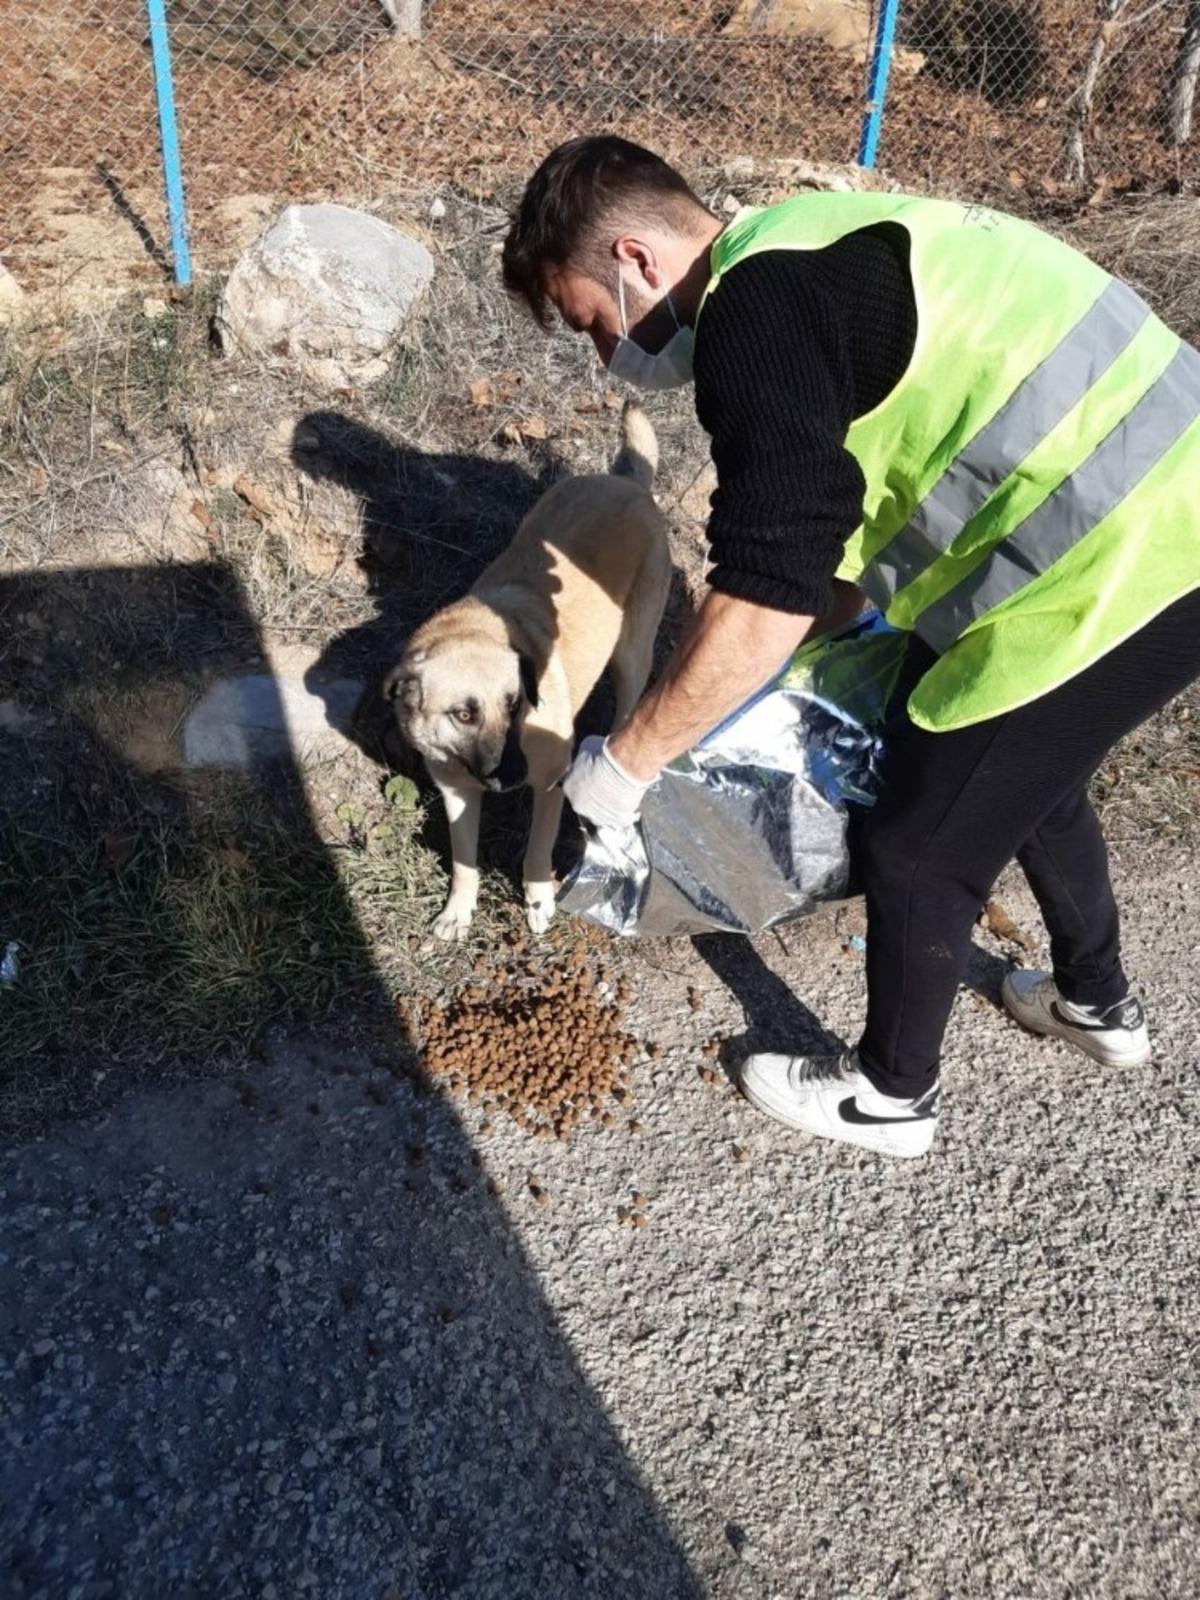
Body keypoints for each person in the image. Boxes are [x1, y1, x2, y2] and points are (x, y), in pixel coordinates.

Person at [501, 135, 1200, 1159]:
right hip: (1148, 520)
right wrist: (769, 663)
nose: (607, 356)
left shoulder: (757, 315)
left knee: (923, 834)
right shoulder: (807, 245)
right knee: (1025, 772)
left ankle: (890, 1095)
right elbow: (827, 545)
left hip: (1129, 556)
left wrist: (619, 769)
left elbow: (768, 596)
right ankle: (1097, 1005)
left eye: (592, 323)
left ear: (637, 261)